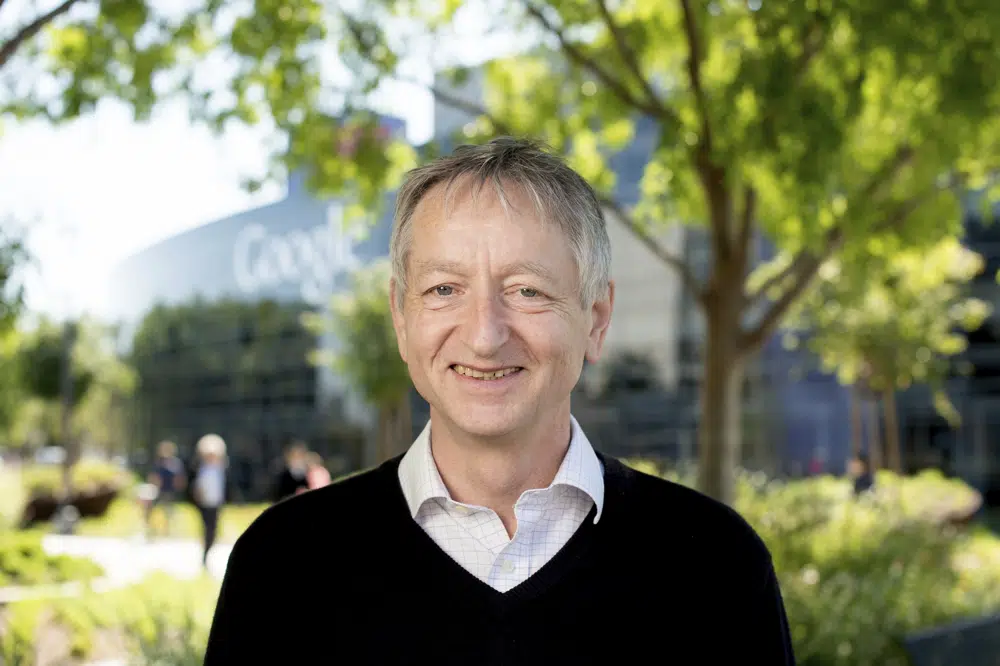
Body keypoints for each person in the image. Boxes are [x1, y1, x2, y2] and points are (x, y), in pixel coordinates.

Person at [205, 138, 795, 664]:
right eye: (444, 289)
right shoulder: (283, 566)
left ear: (595, 319)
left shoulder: (717, 566)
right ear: (401, 319)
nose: (485, 334)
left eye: (527, 290)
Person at [190, 433, 228, 568]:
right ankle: (204, 557)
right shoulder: (200, 469)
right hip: (204, 504)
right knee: (207, 530)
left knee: (214, 530)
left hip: (216, 503)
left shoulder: (221, 469)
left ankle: (207, 553)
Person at [144, 440, 185, 538]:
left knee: (168, 512)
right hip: (157, 491)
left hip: (169, 491)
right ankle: (150, 529)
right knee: (150, 510)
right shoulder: (158, 463)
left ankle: (168, 531)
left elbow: (179, 478)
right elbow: (153, 476)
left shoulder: (175, 463)